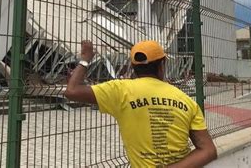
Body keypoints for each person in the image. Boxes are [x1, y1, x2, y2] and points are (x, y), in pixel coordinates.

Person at [64, 40, 217, 168]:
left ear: (133, 67)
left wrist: (85, 58)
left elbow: (72, 91)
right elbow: (208, 150)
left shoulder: (120, 91)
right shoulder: (186, 100)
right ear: (162, 65)